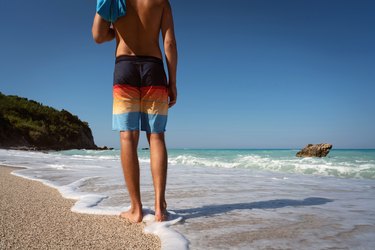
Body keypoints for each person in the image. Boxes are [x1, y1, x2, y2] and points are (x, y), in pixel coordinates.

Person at [91, 0, 177, 223]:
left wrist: (116, 32)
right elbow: (169, 43)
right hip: (155, 68)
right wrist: (173, 81)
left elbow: (98, 36)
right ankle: (159, 208)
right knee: (156, 136)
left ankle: (136, 209)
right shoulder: (162, 2)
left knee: (128, 137)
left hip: (125, 66)